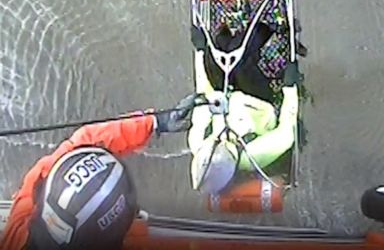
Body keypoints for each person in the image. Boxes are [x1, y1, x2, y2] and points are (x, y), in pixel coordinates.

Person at [0, 94, 199, 250]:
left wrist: (153, 122)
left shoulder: (19, 226)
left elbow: (83, 144)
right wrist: (155, 122)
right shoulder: (26, 209)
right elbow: (83, 141)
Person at [188, 21, 302, 194]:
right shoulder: (254, 155)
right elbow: (287, 132)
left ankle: (225, 36)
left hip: (226, 94)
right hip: (257, 101)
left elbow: (204, 94)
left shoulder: (198, 141)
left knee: (216, 55)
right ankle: (265, 27)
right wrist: (289, 88)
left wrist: (200, 51)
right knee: (240, 60)